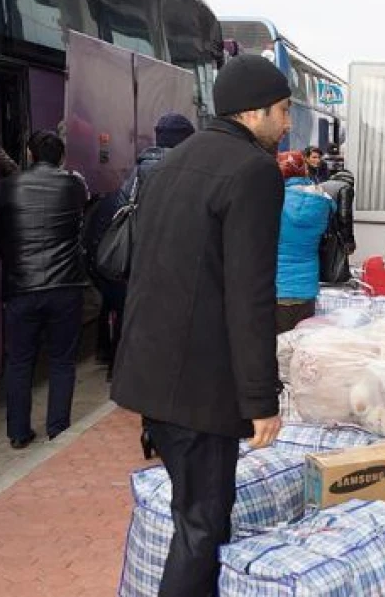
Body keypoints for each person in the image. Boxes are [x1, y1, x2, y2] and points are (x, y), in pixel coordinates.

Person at [110, 54, 287, 597]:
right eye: (282, 111)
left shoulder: (172, 162)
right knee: (203, 524)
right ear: (253, 113)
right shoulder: (253, 171)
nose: (286, 124)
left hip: (152, 373)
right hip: (200, 387)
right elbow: (250, 294)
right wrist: (260, 399)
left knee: (196, 515)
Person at [0, 130, 89, 449]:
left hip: (21, 288)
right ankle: (58, 428)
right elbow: (80, 228)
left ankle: (18, 433)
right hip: (65, 287)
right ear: (60, 157)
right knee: (62, 361)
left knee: (19, 361)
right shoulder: (74, 185)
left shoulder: (6, 187)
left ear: (30, 155)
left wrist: (17, 263)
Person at [82, 113, 197, 380]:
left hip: (132, 261)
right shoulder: (181, 170)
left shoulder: (138, 168)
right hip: (163, 262)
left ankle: (124, 368)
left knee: (131, 316)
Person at [275, 151, 336, 333]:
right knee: (301, 345)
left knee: (278, 346)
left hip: (278, 286)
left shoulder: (273, 198)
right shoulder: (321, 200)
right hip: (308, 286)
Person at [320, 168, 357, 256]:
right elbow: (344, 216)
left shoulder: (321, 185)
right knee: (336, 266)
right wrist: (349, 241)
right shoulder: (346, 188)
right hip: (333, 235)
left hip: (318, 233)